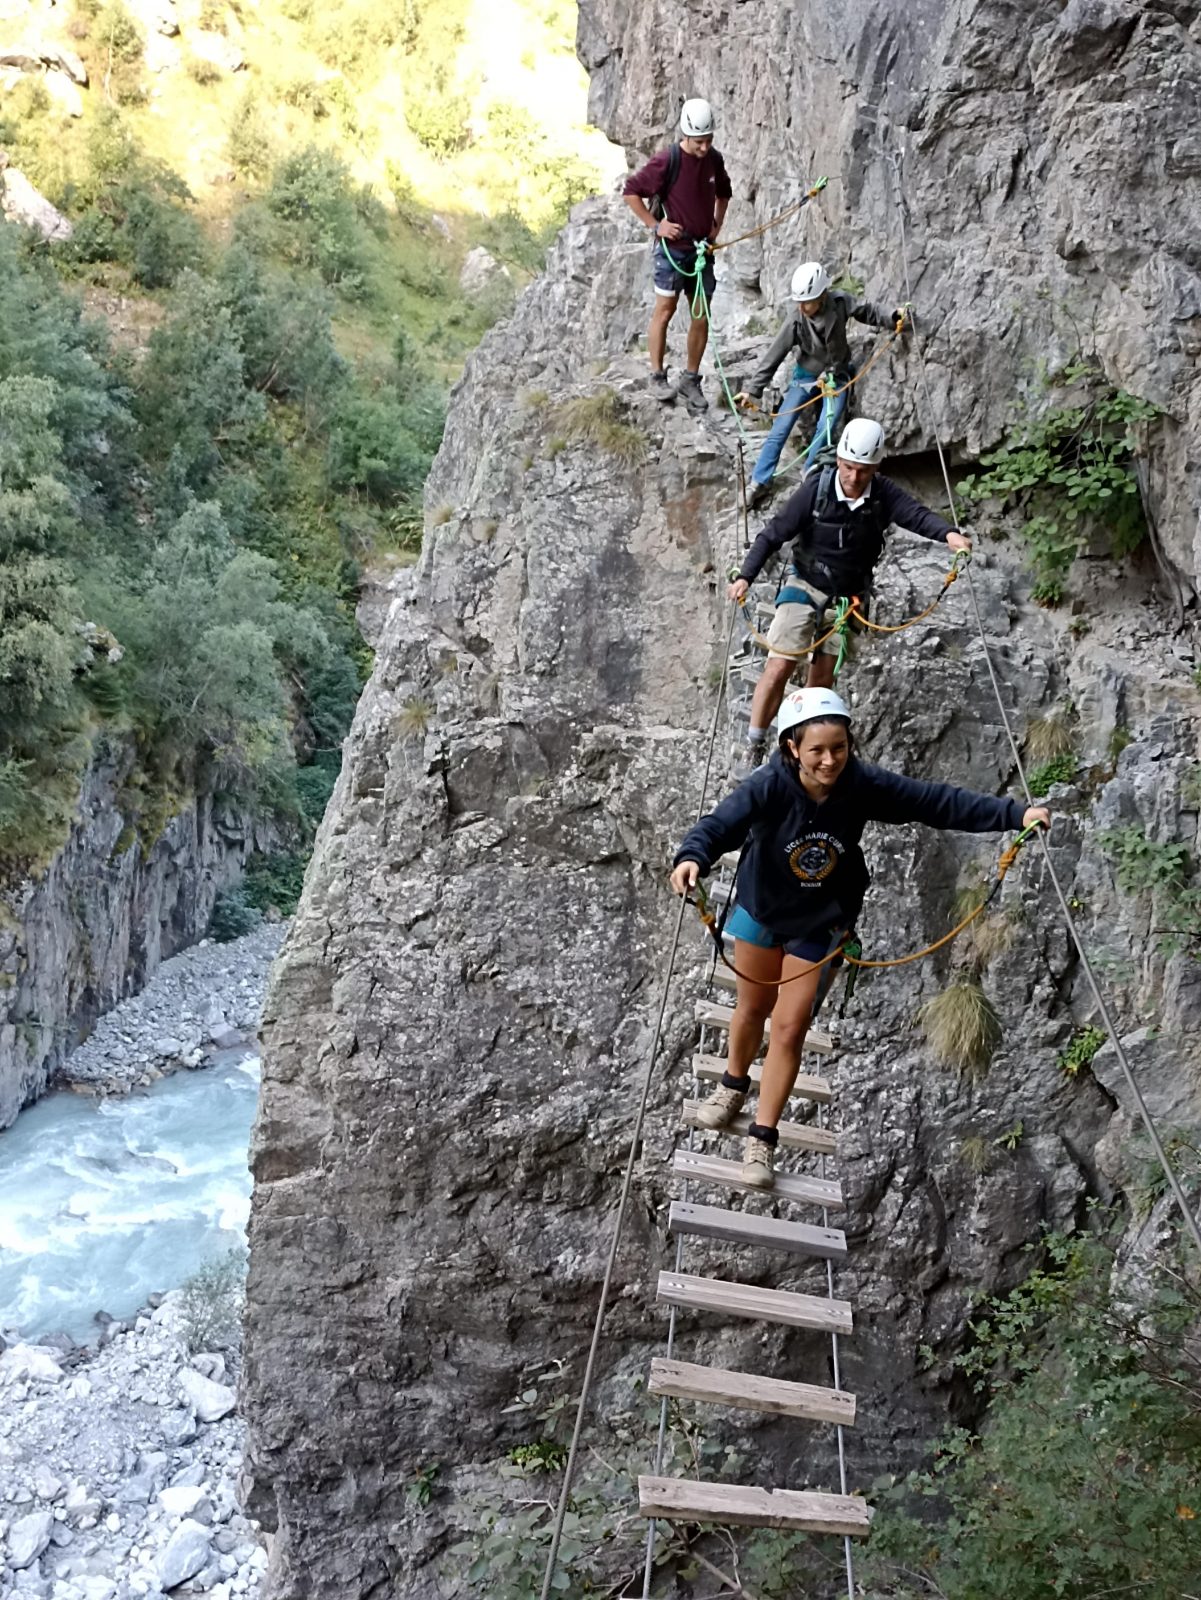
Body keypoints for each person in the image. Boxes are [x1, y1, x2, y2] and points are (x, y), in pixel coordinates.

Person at [670, 687, 1050, 1189]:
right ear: (791, 748)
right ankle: (733, 1084)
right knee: (751, 1008)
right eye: (817, 750)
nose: (830, 760)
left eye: (840, 748)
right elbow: (719, 825)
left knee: (789, 1027)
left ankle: (762, 1138)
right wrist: (691, 858)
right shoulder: (768, 786)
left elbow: (934, 802)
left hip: (821, 921)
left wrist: (1014, 815)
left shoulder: (860, 784)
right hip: (763, 910)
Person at [729, 417, 972, 774]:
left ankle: (800, 752)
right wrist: (745, 576)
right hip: (804, 585)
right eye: (848, 467)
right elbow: (774, 533)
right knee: (780, 664)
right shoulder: (816, 490)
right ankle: (755, 742)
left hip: (847, 599)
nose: (854, 477)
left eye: (863, 470)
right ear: (839, 460)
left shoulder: (883, 494)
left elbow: (916, 516)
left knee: (821, 683)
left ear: (876, 467)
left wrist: (949, 534)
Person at [734, 263, 906, 508]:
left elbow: (867, 311)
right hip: (805, 376)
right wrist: (753, 391)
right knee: (781, 427)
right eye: (800, 302)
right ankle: (759, 482)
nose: (802, 307)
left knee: (827, 425)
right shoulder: (796, 320)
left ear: (822, 296)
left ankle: (809, 476)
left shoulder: (839, 303)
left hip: (836, 376)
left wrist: (892, 316)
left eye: (807, 302)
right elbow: (775, 354)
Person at [622, 98, 732, 415]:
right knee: (665, 310)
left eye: (708, 140)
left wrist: (715, 227)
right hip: (673, 251)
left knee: (701, 313)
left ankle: (690, 379)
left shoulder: (714, 159)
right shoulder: (667, 161)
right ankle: (657, 376)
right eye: (699, 141)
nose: (704, 147)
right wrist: (656, 225)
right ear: (686, 134)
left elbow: (724, 193)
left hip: (700, 251)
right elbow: (631, 191)